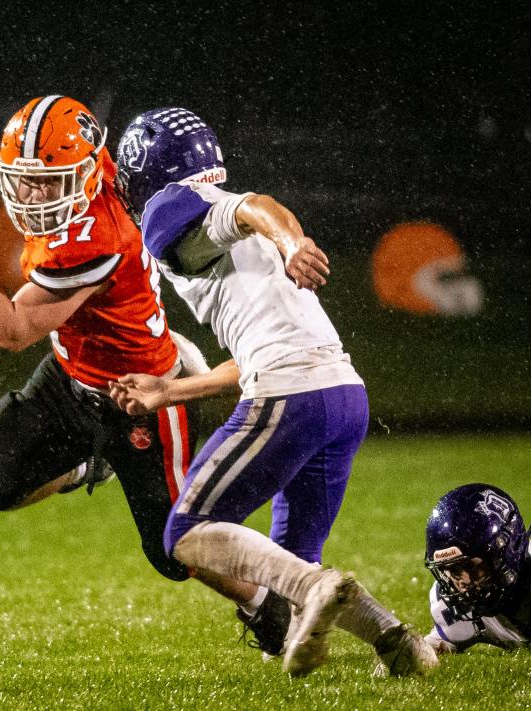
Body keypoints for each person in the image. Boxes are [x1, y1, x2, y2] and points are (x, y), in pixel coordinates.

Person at [110, 107, 438, 677]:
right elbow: (254, 349)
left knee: (183, 535)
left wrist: (292, 241)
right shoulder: (217, 218)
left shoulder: (169, 210)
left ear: (142, 172)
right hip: (342, 397)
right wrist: (170, 391)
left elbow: (254, 205)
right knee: (286, 586)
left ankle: (318, 587)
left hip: (291, 397)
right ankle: (399, 644)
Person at [0, 95, 220, 588]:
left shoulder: (95, 236)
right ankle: (88, 465)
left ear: (90, 172)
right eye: (24, 180)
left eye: (49, 182)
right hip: (72, 377)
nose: (32, 195)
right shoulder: (96, 171)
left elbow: (5, 334)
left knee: (176, 552)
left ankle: (272, 605)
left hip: (142, 394)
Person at [424, 483, 530, 654]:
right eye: (453, 570)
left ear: (505, 551)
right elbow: (433, 645)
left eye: (470, 566)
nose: (463, 582)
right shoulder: (456, 609)